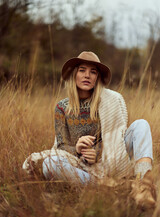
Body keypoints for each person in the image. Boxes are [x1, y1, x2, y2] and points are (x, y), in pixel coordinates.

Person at [23, 51, 155, 206]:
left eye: (93, 72)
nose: (87, 75)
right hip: (78, 165)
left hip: (108, 159)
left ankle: (143, 187)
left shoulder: (108, 102)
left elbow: (114, 139)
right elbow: (61, 145)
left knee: (141, 125)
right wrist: (78, 149)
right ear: (74, 74)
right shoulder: (61, 107)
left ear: (97, 78)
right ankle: (106, 186)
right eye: (82, 70)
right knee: (49, 165)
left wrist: (97, 154)